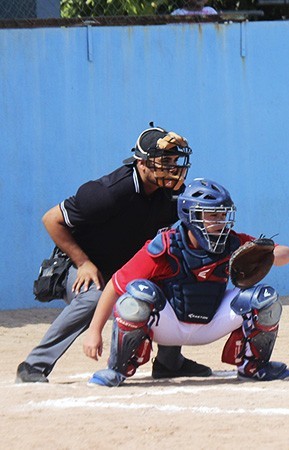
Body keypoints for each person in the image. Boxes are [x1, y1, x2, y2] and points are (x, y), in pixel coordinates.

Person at [15, 126, 211, 384]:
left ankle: (169, 363)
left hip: (126, 269)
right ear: (142, 163)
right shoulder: (108, 193)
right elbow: (51, 219)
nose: (173, 168)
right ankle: (33, 366)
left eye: (175, 161)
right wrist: (83, 263)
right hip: (83, 264)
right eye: (165, 161)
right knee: (93, 297)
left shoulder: (172, 192)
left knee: (176, 279)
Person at [82, 178, 289, 386]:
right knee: (138, 295)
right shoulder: (165, 246)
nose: (219, 222)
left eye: (223, 215)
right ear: (190, 216)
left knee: (265, 298)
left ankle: (254, 367)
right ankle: (117, 369)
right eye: (212, 215)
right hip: (168, 325)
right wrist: (94, 332)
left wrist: (267, 255)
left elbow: (287, 254)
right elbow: (114, 285)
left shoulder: (233, 242)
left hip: (211, 323)